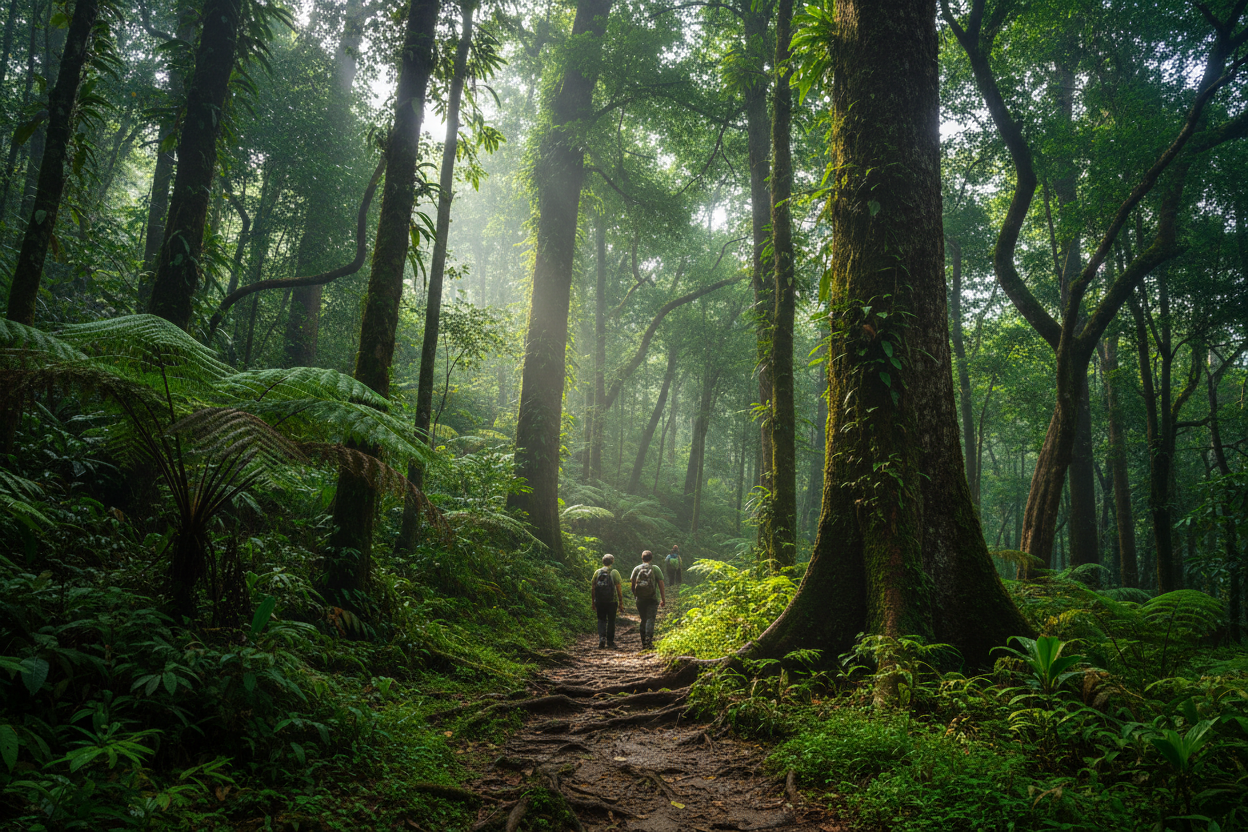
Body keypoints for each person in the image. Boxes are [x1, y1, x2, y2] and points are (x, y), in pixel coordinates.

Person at [630, 550, 666, 650]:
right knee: (650, 619)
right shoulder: (655, 569)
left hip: (640, 599)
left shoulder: (637, 569)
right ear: (651, 558)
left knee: (643, 619)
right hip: (652, 598)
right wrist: (663, 598)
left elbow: (633, 584)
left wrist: (635, 595)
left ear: (642, 558)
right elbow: (661, 584)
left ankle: (643, 641)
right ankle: (648, 640)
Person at [590, 554, 624, 649]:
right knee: (611, 621)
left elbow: (593, 588)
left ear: (603, 562)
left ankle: (602, 639)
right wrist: (621, 602)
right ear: (612, 562)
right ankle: (610, 641)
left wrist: (593, 602)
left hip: (600, 601)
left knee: (601, 620)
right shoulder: (614, 572)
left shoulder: (597, 572)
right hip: (612, 601)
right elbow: (618, 588)